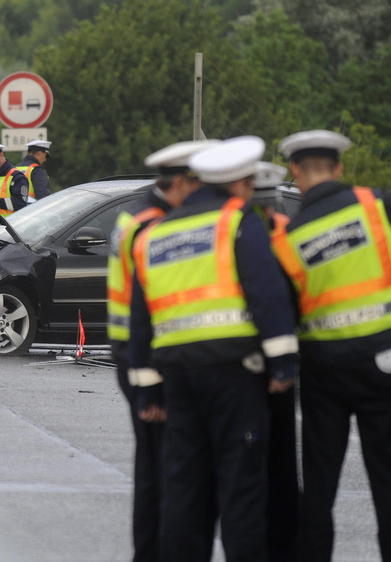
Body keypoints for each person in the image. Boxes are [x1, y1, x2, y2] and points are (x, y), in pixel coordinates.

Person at [128, 136, 300, 561]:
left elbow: (140, 319)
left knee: (185, 490)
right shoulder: (236, 219)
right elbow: (266, 293)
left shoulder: (155, 232)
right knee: (241, 489)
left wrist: (147, 391)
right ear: (240, 184)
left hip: (177, 379)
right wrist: (283, 365)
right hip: (233, 374)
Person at [274, 130, 391, 562]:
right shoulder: (375, 206)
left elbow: (283, 315)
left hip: (324, 376)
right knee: (390, 491)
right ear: (339, 168)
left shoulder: (288, 239)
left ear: (295, 171)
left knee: (320, 492)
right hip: (386, 367)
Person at [106, 139, 219, 562]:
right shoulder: (154, 224)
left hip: (130, 351)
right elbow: (152, 301)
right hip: (147, 355)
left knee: (152, 467)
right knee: (166, 470)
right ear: (184, 182)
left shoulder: (135, 212)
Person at [253, 160, 300, 562]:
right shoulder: (289, 237)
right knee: (282, 469)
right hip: (280, 365)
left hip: (243, 366)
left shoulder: (227, 236)